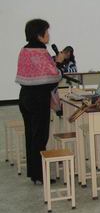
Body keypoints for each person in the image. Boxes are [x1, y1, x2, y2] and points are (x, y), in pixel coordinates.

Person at [16, 19, 65, 184]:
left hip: (25, 97)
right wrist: (59, 64)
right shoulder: (41, 52)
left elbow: (37, 72)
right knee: (40, 137)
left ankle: (34, 173)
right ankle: (39, 175)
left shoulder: (24, 50)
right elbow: (52, 78)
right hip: (38, 100)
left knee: (31, 136)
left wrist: (53, 62)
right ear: (39, 34)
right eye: (46, 31)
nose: (48, 34)